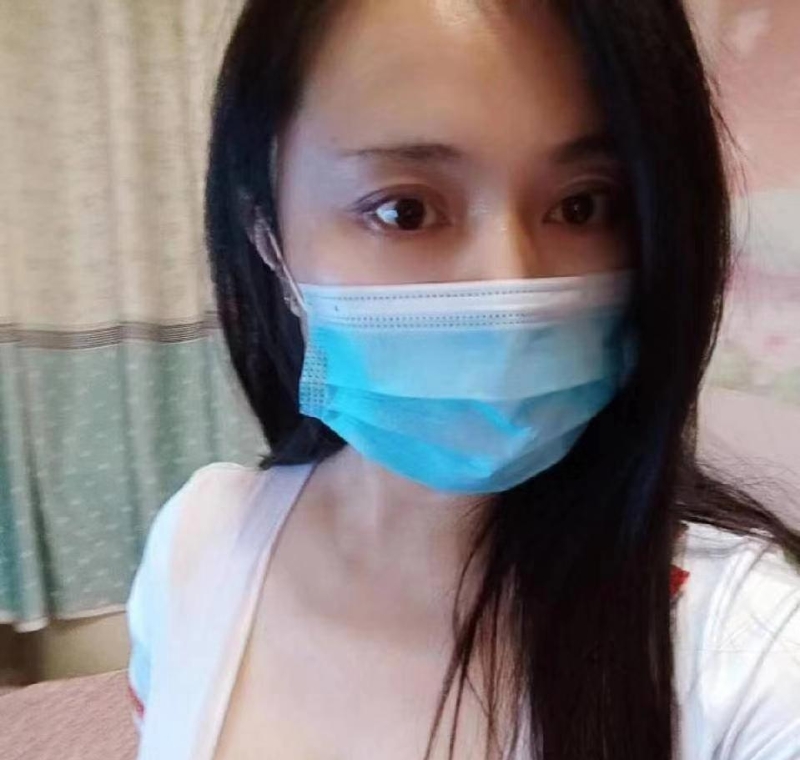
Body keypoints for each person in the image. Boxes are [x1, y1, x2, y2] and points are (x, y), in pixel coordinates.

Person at [126, 1, 800, 758]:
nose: (508, 286)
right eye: (404, 210)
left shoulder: (752, 650)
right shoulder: (196, 542)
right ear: (268, 239)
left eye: (583, 205)